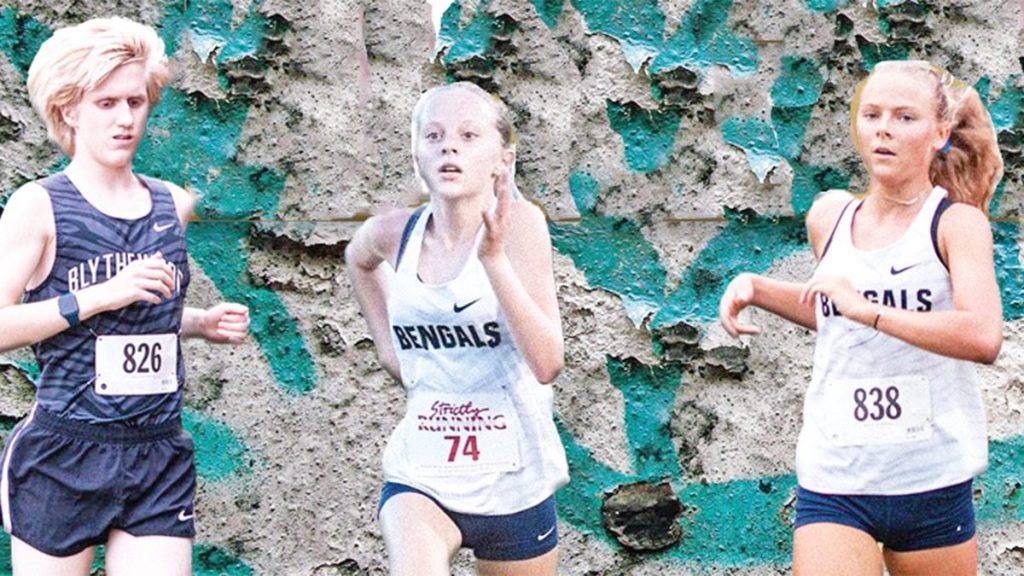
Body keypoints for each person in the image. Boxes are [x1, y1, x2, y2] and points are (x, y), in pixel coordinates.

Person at [719, 60, 1004, 575]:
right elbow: (838, 313)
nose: (884, 129)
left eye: (904, 117)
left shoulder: (955, 224)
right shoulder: (829, 216)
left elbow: (982, 335)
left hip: (931, 478)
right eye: (872, 115)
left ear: (940, 133)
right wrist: (758, 289)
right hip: (837, 477)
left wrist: (870, 311)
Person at [0, 17, 250, 576]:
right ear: (69, 109)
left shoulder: (171, 205)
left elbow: (135, 320)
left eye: (135, 102)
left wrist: (199, 322)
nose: (125, 118)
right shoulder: (39, 205)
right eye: (106, 103)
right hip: (64, 453)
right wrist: (96, 296)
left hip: (157, 453)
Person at [346, 82, 569, 575]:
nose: (449, 147)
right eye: (434, 136)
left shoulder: (523, 226)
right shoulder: (394, 233)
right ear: (417, 156)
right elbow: (358, 258)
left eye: (468, 135)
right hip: (422, 478)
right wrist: (390, 350)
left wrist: (493, 260)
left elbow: (547, 363)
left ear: (502, 160)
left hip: (515, 486)